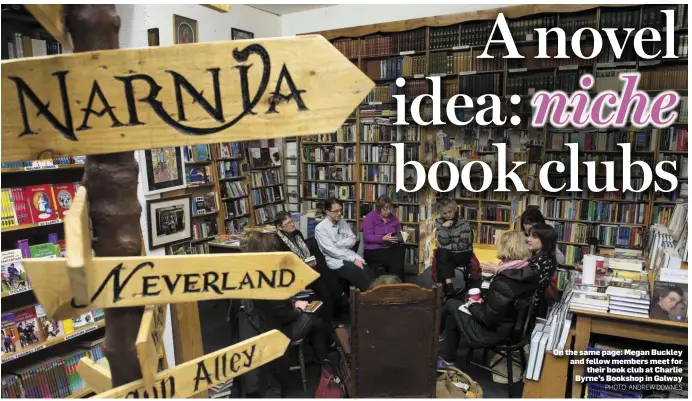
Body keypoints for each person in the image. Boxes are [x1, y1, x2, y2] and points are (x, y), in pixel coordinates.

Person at [240, 232, 332, 395]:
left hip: (264, 325)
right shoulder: (271, 279)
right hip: (281, 331)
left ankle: (321, 357)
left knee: (316, 321)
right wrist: (298, 307)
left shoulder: (249, 273)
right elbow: (286, 317)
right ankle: (324, 361)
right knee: (316, 310)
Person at [441, 230, 551, 363]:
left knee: (451, 303)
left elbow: (488, 319)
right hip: (513, 326)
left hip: (495, 332)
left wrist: (474, 304)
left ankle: (439, 344)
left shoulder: (504, 282)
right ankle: (446, 352)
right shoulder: (529, 271)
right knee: (454, 312)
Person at [273, 211, 343, 320]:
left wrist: (309, 261)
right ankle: (331, 314)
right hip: (295, 272)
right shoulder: (277, 241)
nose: (292, 224)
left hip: (307, 265)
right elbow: (284, 264)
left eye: (292, 221)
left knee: (324, 271)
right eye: (288, 223)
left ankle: (337, 306)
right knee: (320, 281)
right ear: (279, 227)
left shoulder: (297, 233)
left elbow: (306, 252)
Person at [315, 198, 375, 291]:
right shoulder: (320, 228)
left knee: (367, 270)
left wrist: (337, 244)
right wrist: (353, 259)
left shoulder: (342, 222)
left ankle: (377, 293)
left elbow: (352, 239)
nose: (339, 213)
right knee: (358, 272)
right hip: (335, 260)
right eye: (335, 211)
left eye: (340, 210)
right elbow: (331, 251)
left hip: (348, 254)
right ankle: (370, 296)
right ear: (327, 211)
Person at [434, 197, 474, 297]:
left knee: (441, 255)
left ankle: (443, 290)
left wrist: (445, 247)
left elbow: (462, 245)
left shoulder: (464, 223)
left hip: (462, 253)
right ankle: (449, 287)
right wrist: (444, 228)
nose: (448, 215)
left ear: (455, 210)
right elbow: (443, 241)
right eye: (444, 213)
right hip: (447, 254)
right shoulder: (439, 222)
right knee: (442, 254)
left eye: (449, 212)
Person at [361, 196, 406, 281]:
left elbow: (398, 232)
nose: (388, 211)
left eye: (389, 208)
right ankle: (396, 282)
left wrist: (401, 237)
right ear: (379, 208)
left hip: (389, 247)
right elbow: (367, 237)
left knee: (400, 249)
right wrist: (382, 238)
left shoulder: (393, 218)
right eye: (385, 209)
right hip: (373, 249)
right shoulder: (370, 217)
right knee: (395, 260)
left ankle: (394, 281)